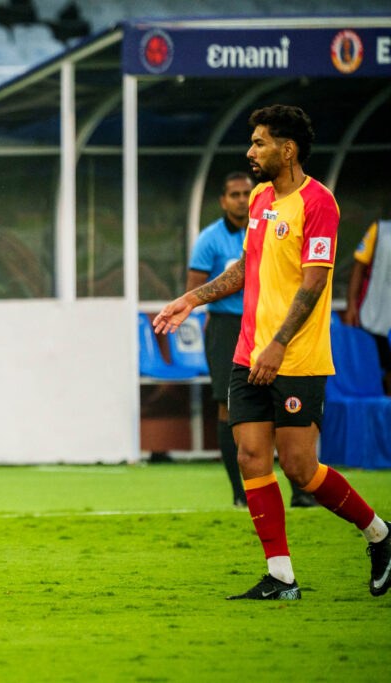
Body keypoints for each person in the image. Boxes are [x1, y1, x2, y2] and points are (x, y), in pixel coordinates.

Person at [154, 105, 391, 600]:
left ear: (288, 150)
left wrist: (279, 344)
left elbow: (315, 280)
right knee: (250, 456)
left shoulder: (319, 203)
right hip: (248, 353)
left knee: (300, 467)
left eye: (259, 142)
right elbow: (246, 266)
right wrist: (189, 299)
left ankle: (379, 533)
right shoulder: (261, 197)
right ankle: (281, 576)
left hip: (296, 357)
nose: (250, 151)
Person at [187, 171, 253, 507]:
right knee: (227, 404)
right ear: (223, 200)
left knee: (276, 403)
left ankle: (300, 490)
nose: (242, 199)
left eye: (247, 193)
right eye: (235, 194)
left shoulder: (267, 231)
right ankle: (238, 493)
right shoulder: (209, 239)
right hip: (226, 327)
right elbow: (194, 288)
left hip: (264, 324)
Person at [346, 219, 391, 394]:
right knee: (379, 365)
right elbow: (359, 266)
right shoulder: (380, 230)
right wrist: (351, 305)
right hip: (373, 314)